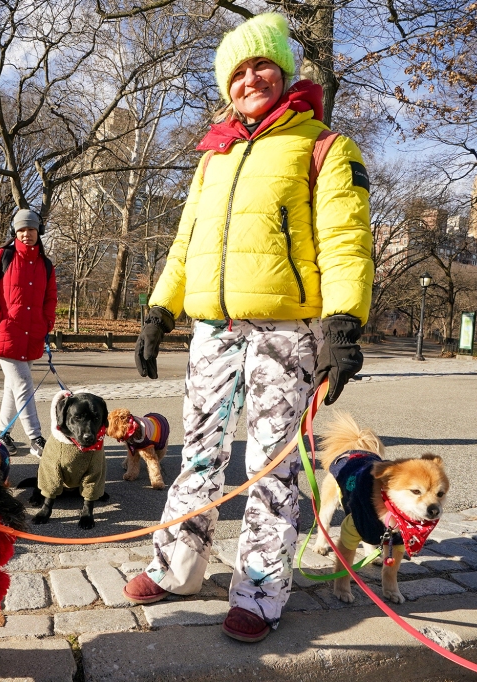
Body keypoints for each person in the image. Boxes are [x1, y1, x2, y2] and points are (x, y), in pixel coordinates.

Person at [124, 13, 374, 644]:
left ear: (284, 71)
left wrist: (343, 325)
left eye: (260, 65)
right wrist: (160, 309)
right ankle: (177, 565)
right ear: (224, 86)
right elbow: (186, 245)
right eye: (236, 71)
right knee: (199, 452)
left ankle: (260, 590)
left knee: (270, 464)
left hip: (285, 331)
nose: (249, 78)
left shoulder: (325, 146)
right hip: (213, 329)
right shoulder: (212, 160)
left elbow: (346, 242)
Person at [0, 209, 57, 458]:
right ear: (15, 232)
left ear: (38, 232)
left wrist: (46, 323)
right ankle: (36, 439)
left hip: (32, 335)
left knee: (13, 386)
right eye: (21, 229)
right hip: (6, 333)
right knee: (23, 384)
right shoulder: (2, 256)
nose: (26, 234)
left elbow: (50, 298)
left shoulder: (45, 264)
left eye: (31, 229)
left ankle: (3, 434)